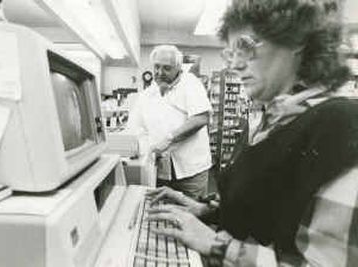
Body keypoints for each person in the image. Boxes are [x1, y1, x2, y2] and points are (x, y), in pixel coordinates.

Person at [146, 0, 358, 266]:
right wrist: (207, 211)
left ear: (296, 41)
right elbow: (276, 213)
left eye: (246, 46)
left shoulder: (343, 126)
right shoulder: (281, 117)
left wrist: (217, 245)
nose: (235, 64)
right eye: (229, 53)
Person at [128, 45, 212, 200]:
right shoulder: (146, 95)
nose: (160, 73)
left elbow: (201, 118)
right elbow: (134, 128)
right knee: (161, 216)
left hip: (190, 171)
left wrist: (169, 139)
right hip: (159, 171)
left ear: (178, 68)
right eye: (157, 67)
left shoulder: (190, 83)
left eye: (167, 68)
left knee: (192, 215)